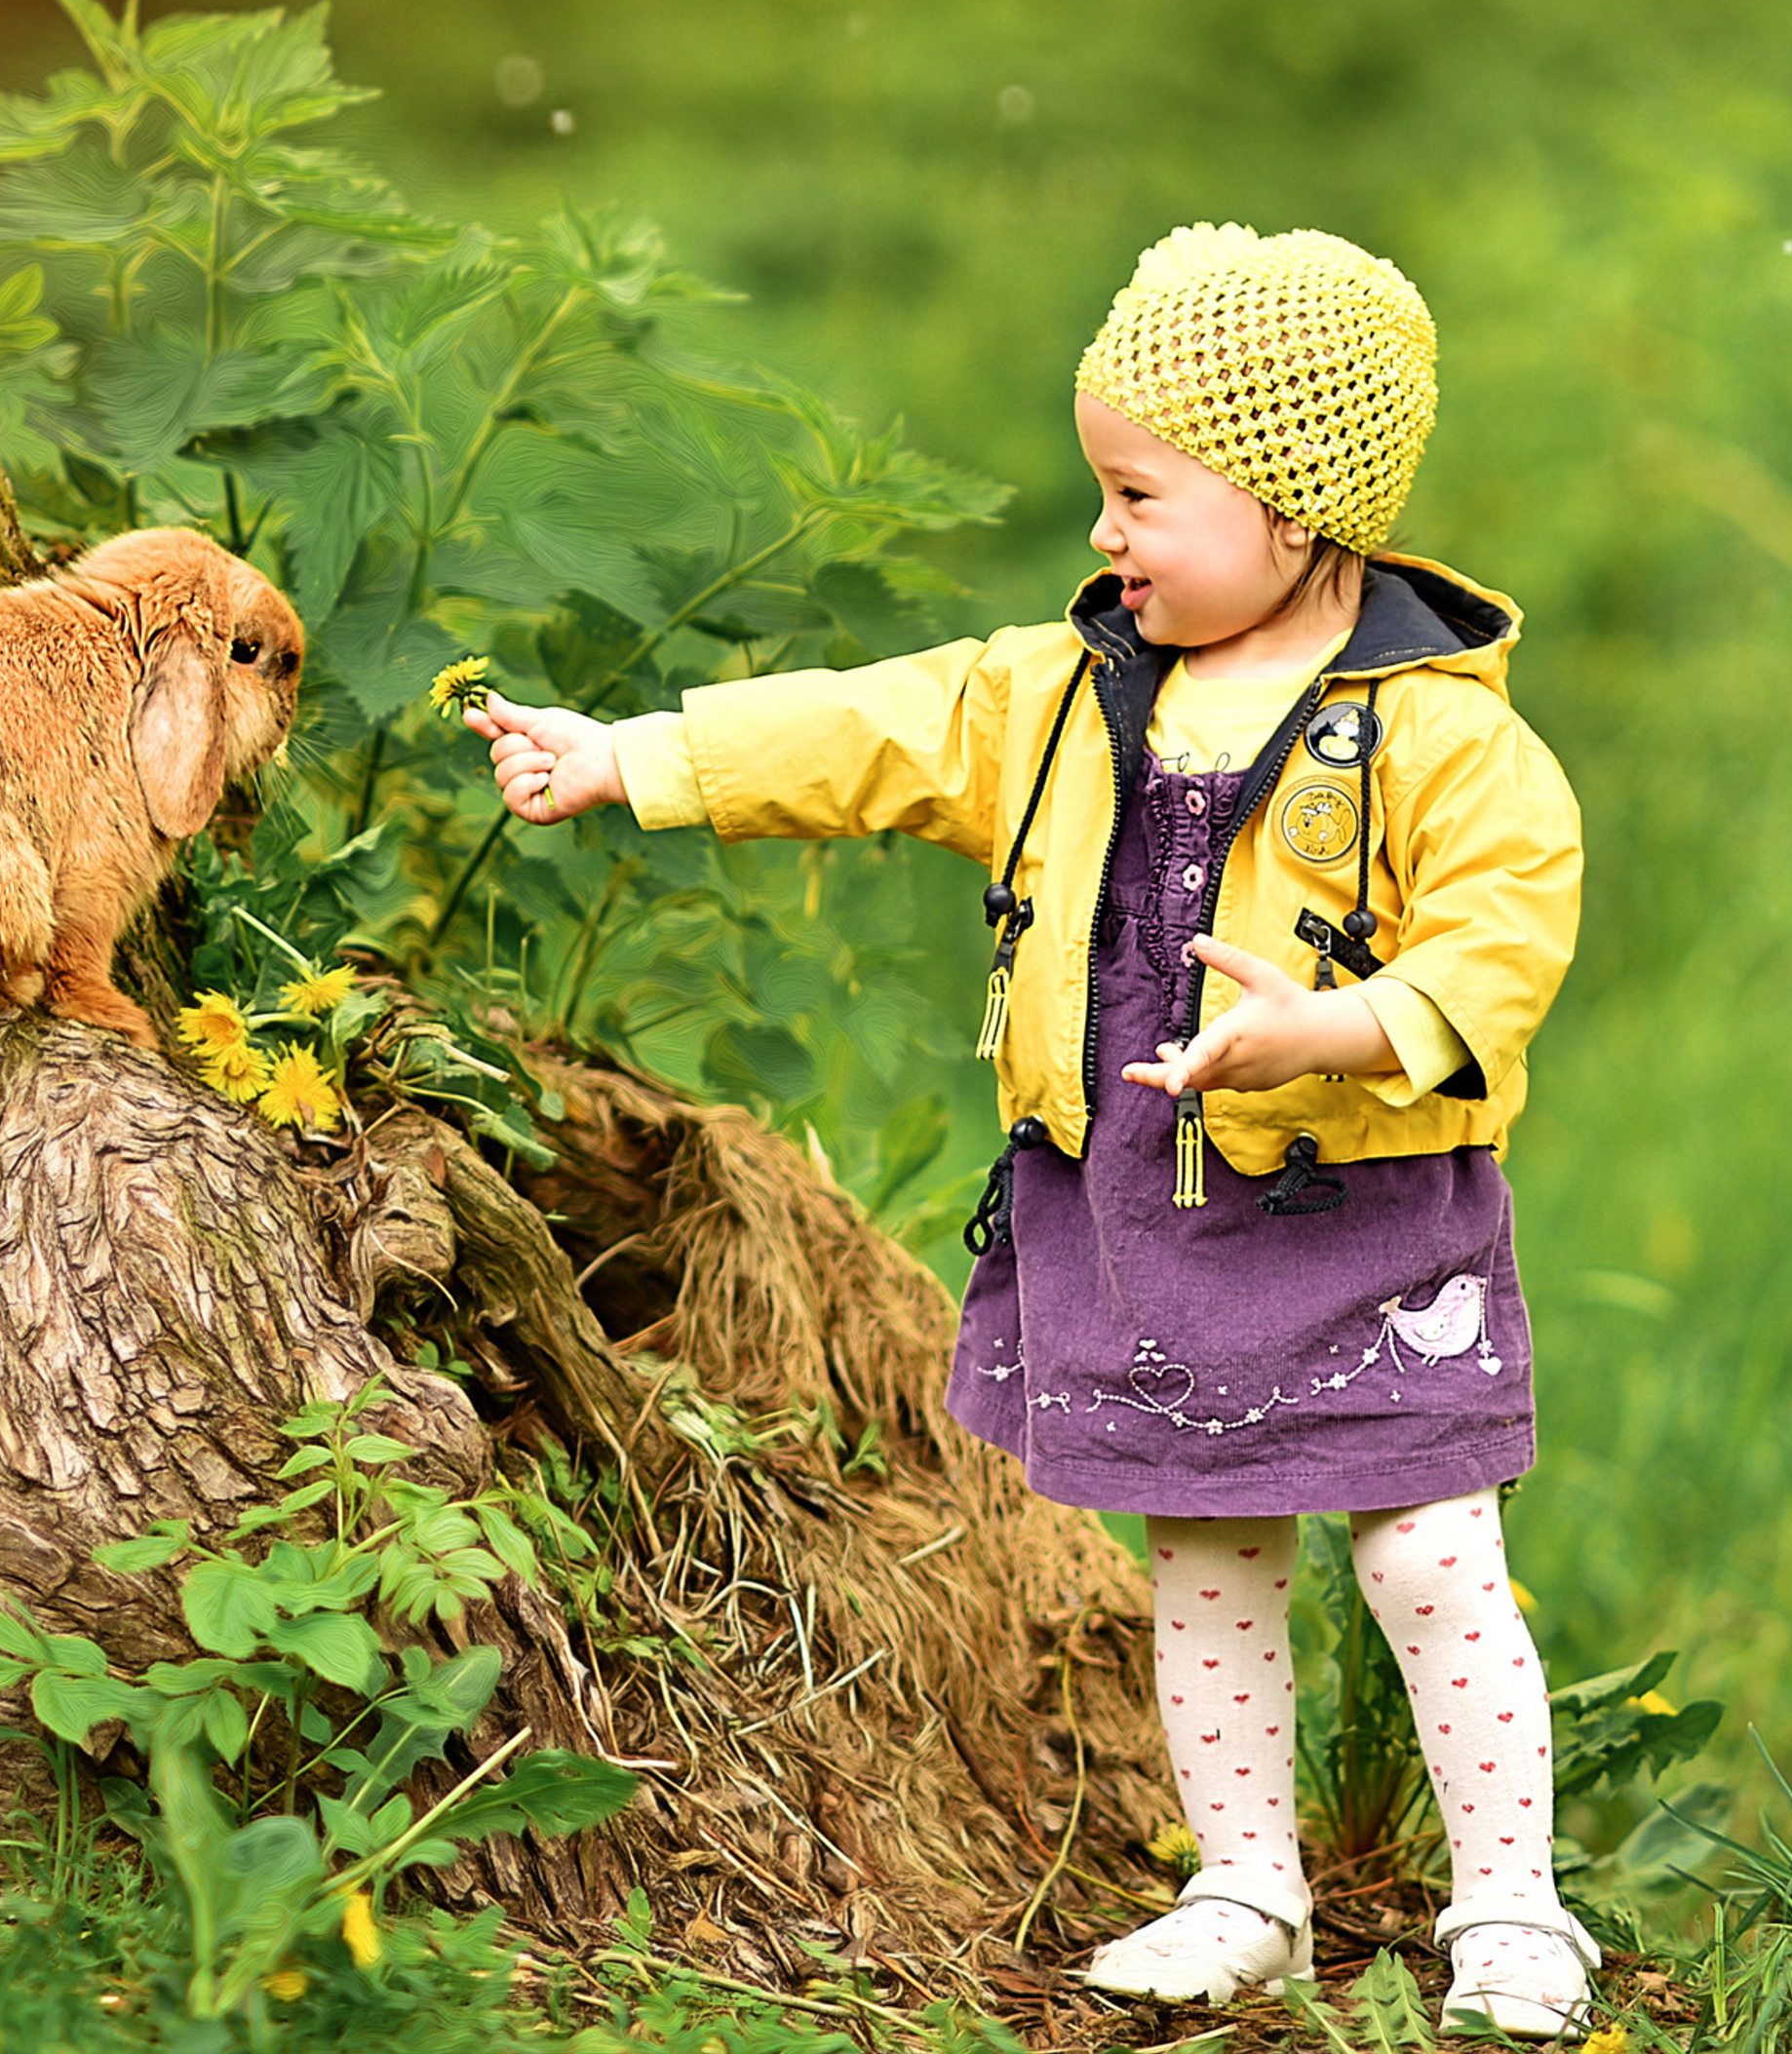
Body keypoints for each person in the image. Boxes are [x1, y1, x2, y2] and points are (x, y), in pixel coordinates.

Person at [465, 222, 1595, 2039]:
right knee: (1203, 1545)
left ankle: (1513, 1906)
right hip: (1137, 1200)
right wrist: (637, 759)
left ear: (1292, 507)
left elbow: (1507, 926)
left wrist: (1347, 1025)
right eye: (1102, 493)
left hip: (1356, 1206)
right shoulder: (1056, 693)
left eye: (1139, 496)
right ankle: (1247, 1888)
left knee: (1426, 1548)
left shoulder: (1442, 738)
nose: (1103, 536)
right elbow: (869, 731)